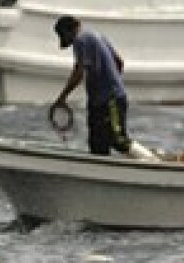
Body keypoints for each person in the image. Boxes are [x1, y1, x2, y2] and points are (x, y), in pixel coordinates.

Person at [50, 15, 154, 159]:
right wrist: (112, 81)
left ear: (68, 32)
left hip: (110, 100)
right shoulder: (97, 35)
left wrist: (62, 98)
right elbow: (119, 62)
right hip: (102, 100)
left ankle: (151, 161)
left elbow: (79, 72)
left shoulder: (80, 40)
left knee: (117, 139)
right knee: (97, 144)